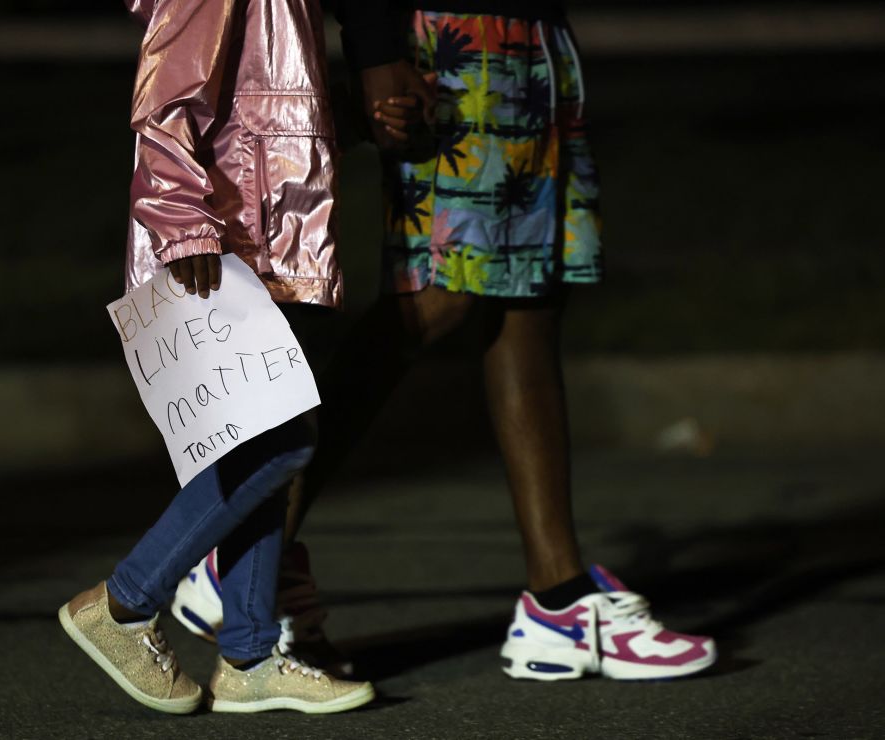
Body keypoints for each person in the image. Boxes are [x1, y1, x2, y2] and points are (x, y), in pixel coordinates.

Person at [171, 0, 718, 682]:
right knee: (434, 296)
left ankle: (559, 599)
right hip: (452, 40)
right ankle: (243, 544)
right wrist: (376, 53)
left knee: (530, 295)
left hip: (535, 36)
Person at [56, 0, 375, 714]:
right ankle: (124, 603)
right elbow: (167, 91)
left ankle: (251, 654)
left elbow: (273, 85)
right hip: (231, 235)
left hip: (271, 226)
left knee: (265, 437)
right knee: (282, 442)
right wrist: (181, 220)